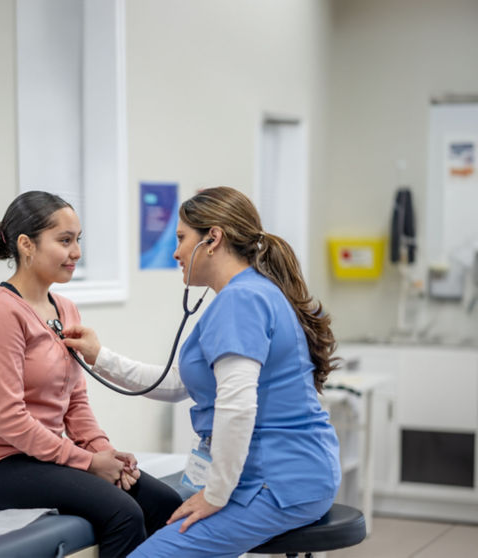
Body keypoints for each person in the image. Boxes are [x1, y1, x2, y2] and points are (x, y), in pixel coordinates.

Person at [62, 186, 342, 558]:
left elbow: (237, 407)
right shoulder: (245, 294)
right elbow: (177, 382)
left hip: (281, 481)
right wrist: (100, 356)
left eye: (181, 238)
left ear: (213, 239)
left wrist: (215, 494)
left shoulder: (241, 300)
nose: (175, 251)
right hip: (281, 474)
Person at [0, 191, 183, 558]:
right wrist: (89, 463)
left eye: (78, 240)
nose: (76, 252)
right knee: (124, 514)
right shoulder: (0, 314)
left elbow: (75, 401)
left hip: (40, 456)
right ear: (26, 245)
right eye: (64, 241)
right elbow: (8, 420)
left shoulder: (66, 308)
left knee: (166, 504)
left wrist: (105, 453)